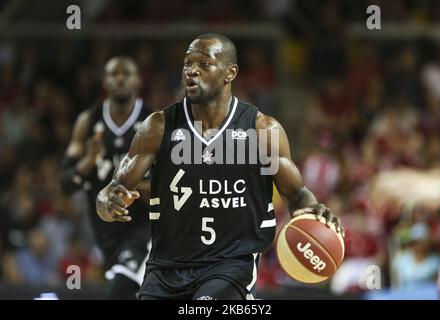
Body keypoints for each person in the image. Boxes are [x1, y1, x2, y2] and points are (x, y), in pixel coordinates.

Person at [96, 34, 344, 300]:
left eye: (204, 64)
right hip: (165, 267)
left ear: (230, 73)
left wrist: (313, 210)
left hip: (229, 267)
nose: (191, 71)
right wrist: (108, 204)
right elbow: (109, 195)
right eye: (187, 64)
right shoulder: (158, 127)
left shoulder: (262, 131)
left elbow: (297, 195)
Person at [60, 57, 152, 299]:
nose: (120, 78)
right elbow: (66, 184)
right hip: (104, 229)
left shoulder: (154, 122)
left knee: (118, 293)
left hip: (145, 227)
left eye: (127, 73)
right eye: (114, 74)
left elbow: (173, 182)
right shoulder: (87, 121)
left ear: (138, 81)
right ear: (104, 81)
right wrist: (89, 160)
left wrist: (138, 187)